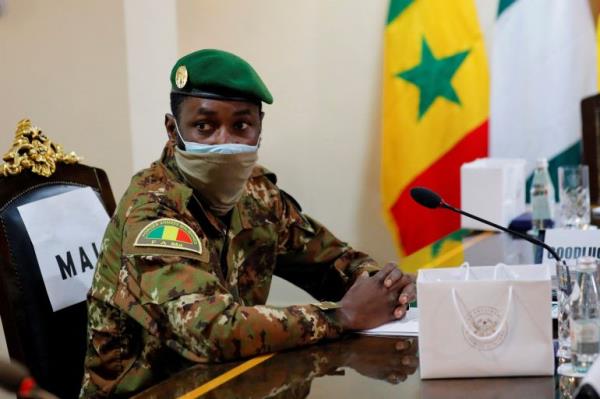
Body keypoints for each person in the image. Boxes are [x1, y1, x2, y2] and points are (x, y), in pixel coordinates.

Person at [79, 49, 416, 398]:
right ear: (172, 129)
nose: (224, 142)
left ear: (259, 128)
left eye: (241, 126)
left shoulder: (256, 194)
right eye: (204, 126)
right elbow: (209, 331)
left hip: (233, 383)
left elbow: (332, 261)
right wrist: (341, 317)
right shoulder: (152, 211)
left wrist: (384, 287)